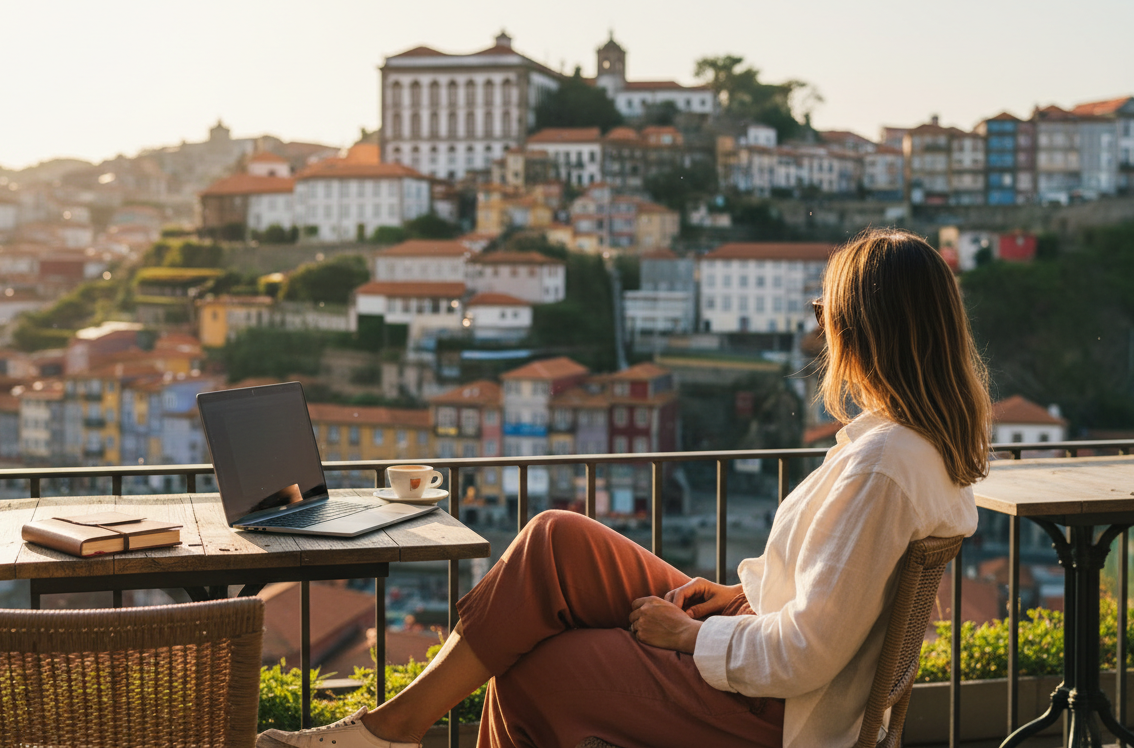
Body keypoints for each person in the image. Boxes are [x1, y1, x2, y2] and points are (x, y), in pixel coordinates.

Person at [258, 229, 991, 748]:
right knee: (555, 537)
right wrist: (733, 599)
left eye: (824, 314)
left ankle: (390, 731)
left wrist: (691, 633)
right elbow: (828, 601)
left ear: (861, 328)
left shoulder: (882, 466)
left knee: (533, 672)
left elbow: (808, 654)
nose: (820, 331)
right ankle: (396, 727)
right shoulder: (908, 446)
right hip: (766, 660)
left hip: (780, 713)